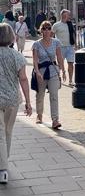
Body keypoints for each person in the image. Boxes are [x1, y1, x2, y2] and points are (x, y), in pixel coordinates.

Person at [0, 23, 32, 184]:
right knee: (8, 131)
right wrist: (28, 102)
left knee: (0, 134)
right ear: (12, 37)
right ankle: (4, 163)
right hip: (12, 99)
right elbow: (24, 79)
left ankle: (2, 168)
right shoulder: (17, 56)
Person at [33, 21, 66, 129]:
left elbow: (59, 57)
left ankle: (55, 120)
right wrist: (37, 72)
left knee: (54, 96)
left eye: (48, 28)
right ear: (41, 30)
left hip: (53, 70)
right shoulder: (36, 44)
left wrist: (63, 70)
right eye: (44, 28)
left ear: (51, 30)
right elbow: (35, 60)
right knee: (40, 94)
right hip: (42, 71)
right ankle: (39, 115)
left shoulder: (56, 42)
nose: (46, 31)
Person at [52, 10, 76, 85]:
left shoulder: (70, 24)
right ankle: (58, 78)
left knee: (71, 63)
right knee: (60, 64)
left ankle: (70, 80)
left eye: (69, 15)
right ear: (63, 15)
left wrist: (75, 44)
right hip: (60, 48)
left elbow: (73, 34)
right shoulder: (56, 25)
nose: (69, 16)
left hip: (70, 47)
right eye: (68, 15)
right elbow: (51, 35)